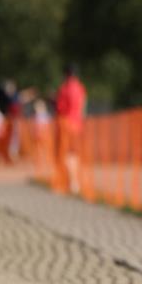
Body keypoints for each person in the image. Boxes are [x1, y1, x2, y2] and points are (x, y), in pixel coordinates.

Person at [55, 64, 87, 195]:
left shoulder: (65, 88)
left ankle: (71, 182)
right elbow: (83, 106)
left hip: (66, 124)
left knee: (66, 154)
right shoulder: (81, 88)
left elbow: (60, 108)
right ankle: (74, 182)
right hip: (78, 124)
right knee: (74, 153)